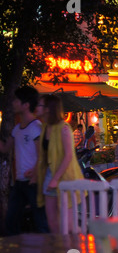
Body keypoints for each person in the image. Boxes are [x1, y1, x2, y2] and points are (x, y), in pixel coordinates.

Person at [0, 86, 49, 235]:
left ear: (26, 105)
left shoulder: (36, 127)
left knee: (40, 221)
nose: (13, 103)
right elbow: (5, 149)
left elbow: (43, 155)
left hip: (33, 181)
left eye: (16, 100)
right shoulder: (17, 129)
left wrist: (35, 173)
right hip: (20, 182)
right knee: (11, 220)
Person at [35, 94, 83, 233]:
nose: (37, 107)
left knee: (67, 223)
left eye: (40, 105)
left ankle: (74, 251)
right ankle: (60, 251)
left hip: (65, 176)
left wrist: (55, 179)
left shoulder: (64, 128)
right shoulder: (45, 127)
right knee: (52, 221)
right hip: (50, 174)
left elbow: (68, 155)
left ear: (48, 109)